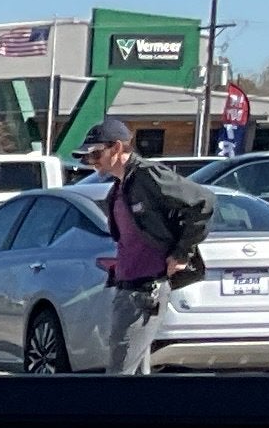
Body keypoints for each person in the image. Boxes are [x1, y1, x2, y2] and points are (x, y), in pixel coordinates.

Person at [78, 119, 210, 374]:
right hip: (128, 286)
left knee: (120, 376)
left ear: (117, 148)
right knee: (136, 375)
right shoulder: (120, 186)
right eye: (88, 156)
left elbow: (203, 202)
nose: (93, 162)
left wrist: (182, 253)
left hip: (145, 289)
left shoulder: (147, 176)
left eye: (96, 154)